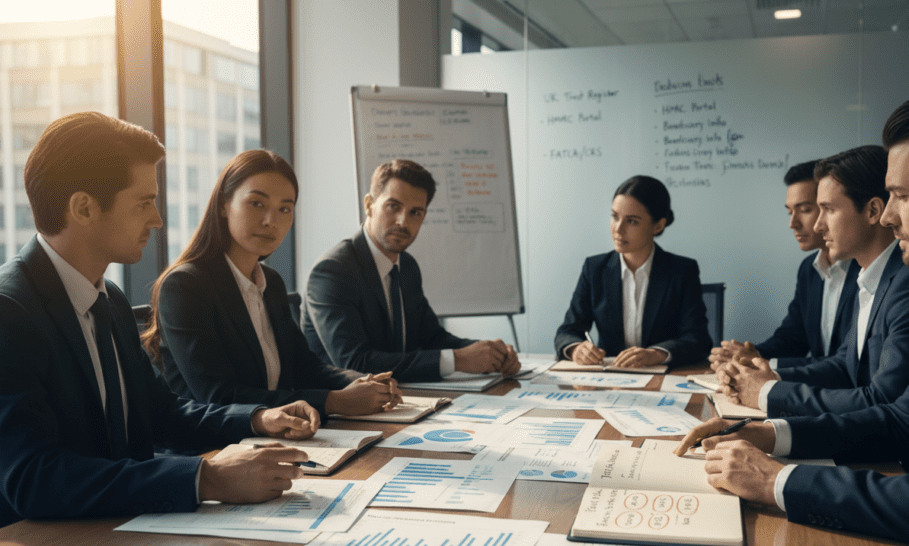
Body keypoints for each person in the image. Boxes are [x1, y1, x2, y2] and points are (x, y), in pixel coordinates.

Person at [674, 85, 909, 546]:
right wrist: (769, 433)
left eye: (902, 196)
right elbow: (906, 419)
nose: (886, 215)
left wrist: (777, 480)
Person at [0, 112, 322, 528]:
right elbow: (33, 478)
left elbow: (160, 412)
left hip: (122, 537)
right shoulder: (10, 311)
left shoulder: (109, 299)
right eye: (144, 202)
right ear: (83, 208)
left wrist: (258, 418)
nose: (156, 219)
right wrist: (205, 478)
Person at [142, 150, 400, 417]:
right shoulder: (186, 286)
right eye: (256, 203)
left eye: (284, 209)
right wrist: (334, 401)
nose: (270, 221)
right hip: (214, 449)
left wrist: (362, 382)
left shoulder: (271, 282)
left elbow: (305, 367)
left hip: (276, 437)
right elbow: (218, 396)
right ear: (223, 204)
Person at [716, 146, 909, 417]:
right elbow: (844, 366)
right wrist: (767, 379)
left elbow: (886, 398)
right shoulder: (872, 275)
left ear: (872, 211)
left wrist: (766, 392)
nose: (818, 226)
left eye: (827, 210)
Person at [302, 159, 520, 382]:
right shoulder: (333, 271)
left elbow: (432, 338)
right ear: (369, 205)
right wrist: (458, 360)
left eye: (415, 212)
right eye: (393, 206)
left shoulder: (406, 266)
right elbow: (355, 363)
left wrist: (490, 353)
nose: (402, 222)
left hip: (402, 399)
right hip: (341, 408)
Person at [709, 160, 860, 370]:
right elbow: (793, 337)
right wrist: (751, 355)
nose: (793, 224)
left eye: (805, 209)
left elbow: (848, 363)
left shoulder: (866, 267)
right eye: (790, 212)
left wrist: (761, 363)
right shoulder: (809, 269)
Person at [554, 175, 712, 368]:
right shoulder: (594, 268)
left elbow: (698, 339)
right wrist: (576, 348)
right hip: (609, 381)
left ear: (659, 225)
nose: (618, 230)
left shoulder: (682, 271)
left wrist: (656, 354)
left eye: (632, 221)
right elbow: (567, 331)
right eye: (615, 217)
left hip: (662, 380)